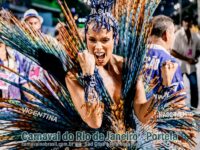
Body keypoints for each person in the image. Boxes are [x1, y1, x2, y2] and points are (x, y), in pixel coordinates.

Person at [172, 16, 200, 108]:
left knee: (194, 87)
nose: (187, 23)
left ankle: (194, 109)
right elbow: (172, 51)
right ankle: (176, 108)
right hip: (179, 65)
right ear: (182, 23)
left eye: (189, 21)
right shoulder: (177, 35)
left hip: (191, 66)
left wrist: (195, 58)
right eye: (185, 21)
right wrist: (187, 59)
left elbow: (199, 49)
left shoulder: (195, 35)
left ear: (191, 23)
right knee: (177, 88)